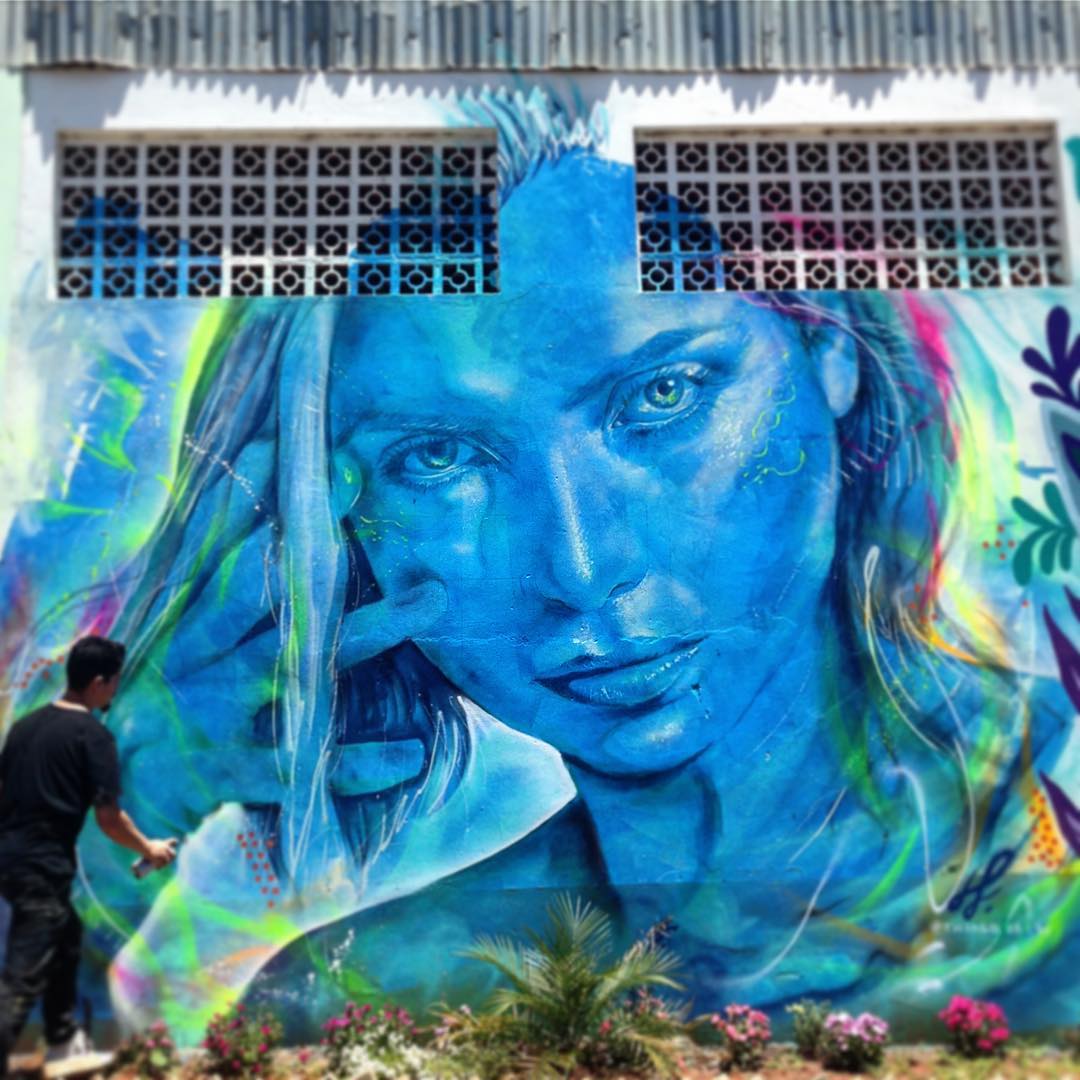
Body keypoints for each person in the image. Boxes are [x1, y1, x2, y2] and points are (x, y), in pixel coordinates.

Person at [5, 98, 1073, 1037]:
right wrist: (122, 801)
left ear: (827, 351)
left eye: (663, 396)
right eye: (438, 457)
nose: (581, 568)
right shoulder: (366, 987)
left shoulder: (1056, 798)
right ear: (332, 528)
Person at [0, 636, 177, 1075]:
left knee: (66, 935)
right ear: (98, 683)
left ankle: (62, 1043)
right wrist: (150, 848)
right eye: (114, 682)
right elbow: (109, 819)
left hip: (10, 858)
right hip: (42, 864)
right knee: (24, 974)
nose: (115, 690)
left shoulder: (25, 728)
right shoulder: (92, 737)